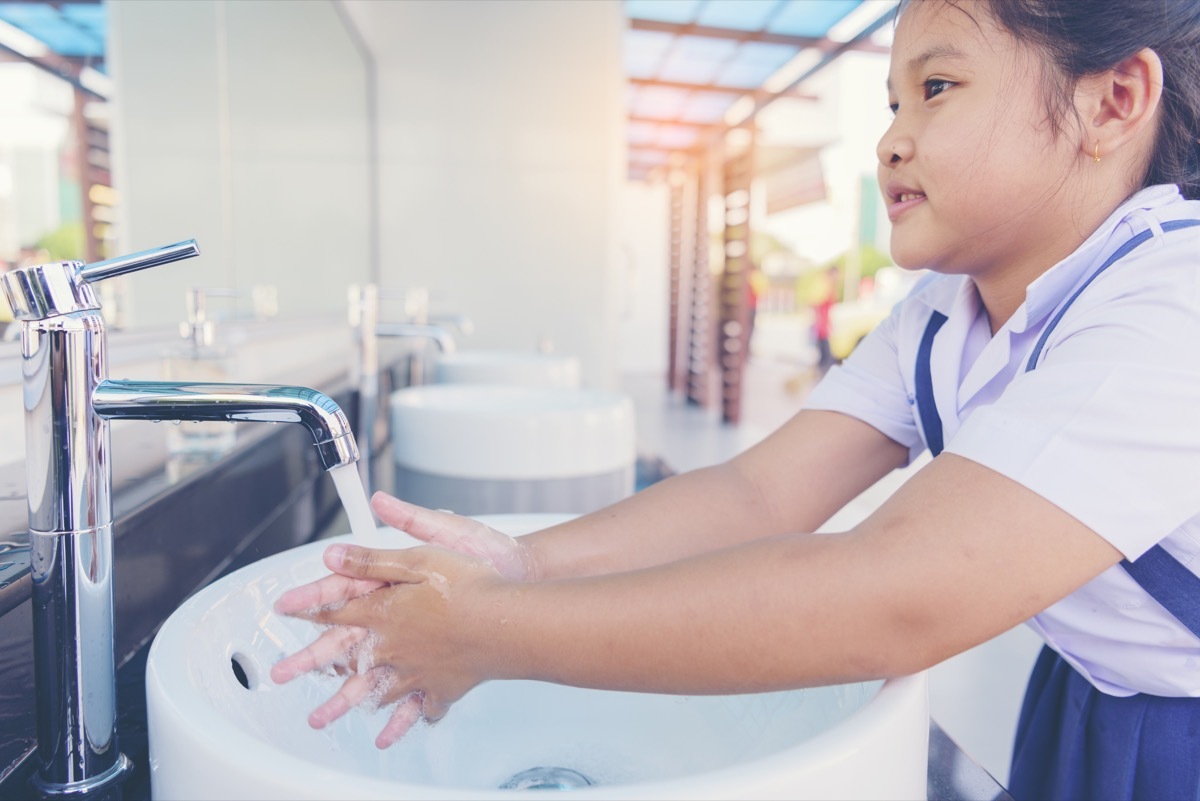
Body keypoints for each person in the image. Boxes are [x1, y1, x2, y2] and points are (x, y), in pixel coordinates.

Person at [271, 1, 1200, 797]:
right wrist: (521, 565)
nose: (890, 138)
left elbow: (897, 591)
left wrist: (489, 633)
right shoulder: (943, 316)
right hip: (1089, 697)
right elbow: (757, 494)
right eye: (889, 101)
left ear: (1112, 102)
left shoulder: (1173, 303)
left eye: (938, 87)